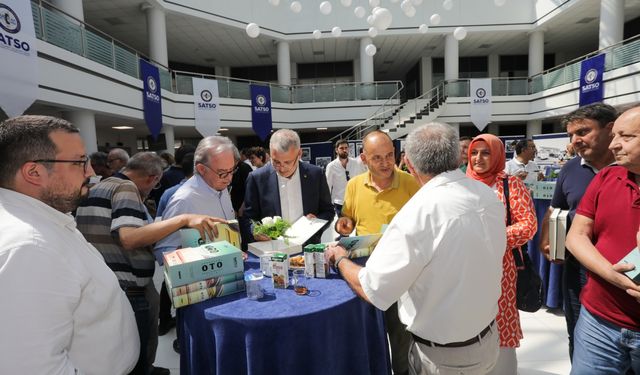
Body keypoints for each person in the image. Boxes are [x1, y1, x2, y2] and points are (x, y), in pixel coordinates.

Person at [326, 122, 507, 374]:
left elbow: (373, 287)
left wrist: (340, 259)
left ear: (408, 163)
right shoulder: (488, 196)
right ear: (457, 156)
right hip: (486, 340)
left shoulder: (417, 213)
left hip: (442, 357)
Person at [0, 115, 138, 374]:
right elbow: (31, 367)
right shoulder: (29, 248)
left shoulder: (45, 220)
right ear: (34, 172)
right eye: (79, 162)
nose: (91, 172)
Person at [75, 152, 225, 375]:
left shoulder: (98, 187)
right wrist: (183, 220)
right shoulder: (126, 189)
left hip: (103, 284)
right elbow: (129, 238)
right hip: (129, 289)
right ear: (152, 178)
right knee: (137, 359)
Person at [334, 131, 420, 375]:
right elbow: (348, 219)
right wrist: (344, 224)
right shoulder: (353, 186)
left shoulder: (411, 184)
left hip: (403, 278)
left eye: (389, 155)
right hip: (367, 275)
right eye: (377, 158)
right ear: (364, 159)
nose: (385, 163)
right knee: (370, 342)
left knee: (402, 344)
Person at [538, 102, 618, 361]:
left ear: (611, 129)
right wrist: (548, 239)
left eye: (583, 132)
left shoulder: (630, 168)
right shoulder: (571, 168)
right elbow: (556, 210)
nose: (575, 140)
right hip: (578, 271)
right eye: (572, 135)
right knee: (578, 334)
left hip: (623, 271)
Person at [565, 105, 640, 374]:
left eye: (627, 137)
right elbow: (576, 236)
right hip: (598, 320)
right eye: (615, 135)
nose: (615, 144)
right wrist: (614, 276)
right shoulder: (609, 176)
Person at [467, 134, 537, 374]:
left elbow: (528, 225)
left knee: (499, 327)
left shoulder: (510, 184)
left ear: (497, 154)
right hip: (463, 268)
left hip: (501, 269)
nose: (478, 158)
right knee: (467, 325)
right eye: (474, 152)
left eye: (486, 153)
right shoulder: (460, 184)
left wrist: (490, 237)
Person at [244, 129, 333, 244]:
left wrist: (316, 223)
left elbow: (328, 211)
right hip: (273, 250)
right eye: (275, 161)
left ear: (299, 153)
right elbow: (248, 218)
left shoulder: (316, 174)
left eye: (287, 162)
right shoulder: (256, 178)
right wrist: (254, 230)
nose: (281, 167)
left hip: (308, 248)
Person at [325, 139, 367, 217]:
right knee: (343, 227)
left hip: (355, 201)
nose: (344, 150)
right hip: (340, 203)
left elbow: (364, 178)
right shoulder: (331, 166)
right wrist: (328, 205)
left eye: (346, 148)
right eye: (341, 148)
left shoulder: (356, 163)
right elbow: (327, 186)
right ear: (336, 150)